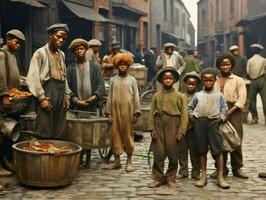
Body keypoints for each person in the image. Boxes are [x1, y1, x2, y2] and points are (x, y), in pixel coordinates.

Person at [26, 23, 71, 139]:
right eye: (58, 36)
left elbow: (64, 77)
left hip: (60, 96)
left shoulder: (62, 54)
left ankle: (56, 155)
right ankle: (43, 155)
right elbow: (33, 78)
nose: (61, 40)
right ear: (50, 35)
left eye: (64, 39)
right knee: (44, 130)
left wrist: (67, 96)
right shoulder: (40, 53)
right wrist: (41, 98)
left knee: (59, 130)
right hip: (47, 95)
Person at [188, 68, 230, 189]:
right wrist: (193, 118)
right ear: (202, 81)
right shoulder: (198, 95)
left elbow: (224, 109)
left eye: (210, 80)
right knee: (202, 150)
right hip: (200, 124)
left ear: (215, 80)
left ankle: (220, 176)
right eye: (205, 80)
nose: (208, 82)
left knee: (217, 150)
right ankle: (203, 175)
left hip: (213, 124)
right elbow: (190, 108)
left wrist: (221, 118)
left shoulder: (219, 95)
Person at [148, 66, 188, 188]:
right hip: (159, 123)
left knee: (173, 152)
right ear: (161, 80)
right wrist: (152, 128)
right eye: (165, 78)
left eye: (171, 78)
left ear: (175, 80)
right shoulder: (156, 96)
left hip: (173, 125)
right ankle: (158, 178)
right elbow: (151, 112)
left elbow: (184, 115)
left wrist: (181, 130)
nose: (168, 80)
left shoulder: (180, 96)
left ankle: (171, 177)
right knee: (158, 153)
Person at [212, 52, 248, 179]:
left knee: (235, 138)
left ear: (232, 65)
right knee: (218, 140)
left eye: (228, 64)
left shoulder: (238, 80)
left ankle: (237, 168)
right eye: (222, 65)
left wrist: (228, 113)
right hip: (217, 112)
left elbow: (242, 99)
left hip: (234, 112)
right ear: (219, 66)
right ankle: (221, 169)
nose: (225, 67)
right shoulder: (214, 80)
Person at [104, 53, 141, 172]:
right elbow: (109, 96)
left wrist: (136, 112)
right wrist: (108, 111)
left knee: (128, 135)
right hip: (115, 111)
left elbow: (136, 97)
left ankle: (129, 161)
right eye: (120, 64)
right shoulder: (113, 80)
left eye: (125, 64)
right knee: (115, 135)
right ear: (116, 66)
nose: (123, 66)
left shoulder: (132, 80)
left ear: (128, 65)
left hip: (128, 112)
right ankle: (117, 161)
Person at [0, 29, 25, 177]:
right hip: (4, 100)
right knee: (1, 133)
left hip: (12, 100)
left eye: (21, 44)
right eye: (16, 41)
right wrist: (4, 95)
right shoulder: (2, 54)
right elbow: (1, 76)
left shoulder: (12, 56)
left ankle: (7, 162)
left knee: (8, 133)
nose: (18, 45)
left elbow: (14, 75)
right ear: (8, 39)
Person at [67, 38, 105, 112]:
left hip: (93, 106)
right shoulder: (70, 69)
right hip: (76, 107)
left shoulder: (95, 67)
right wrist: (77, 101)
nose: (79, 51)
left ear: (86, 50)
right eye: (76, 49)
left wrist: (93, 98)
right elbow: (68, 89)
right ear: (73, 52)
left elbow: (101, 87)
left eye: (81, 48)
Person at [177, 71, 201, 180]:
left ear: (197, 85)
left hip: (195, 128)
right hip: (182, 128)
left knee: (195, 150)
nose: (190, 86)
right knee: (182, 150)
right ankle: (183, 170)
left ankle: (196, 171)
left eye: (193, 84)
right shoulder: (181, 96)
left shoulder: (199, 96)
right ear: (185, 84)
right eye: (188, 84)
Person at [246, 44, 266, 124]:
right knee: (265, 100)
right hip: (262, 80)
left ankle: (255, 118)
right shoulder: (264, 60)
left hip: (253, 81)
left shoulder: (250, 60)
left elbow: (247, 71)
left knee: (252, 100)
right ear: (260, 51)